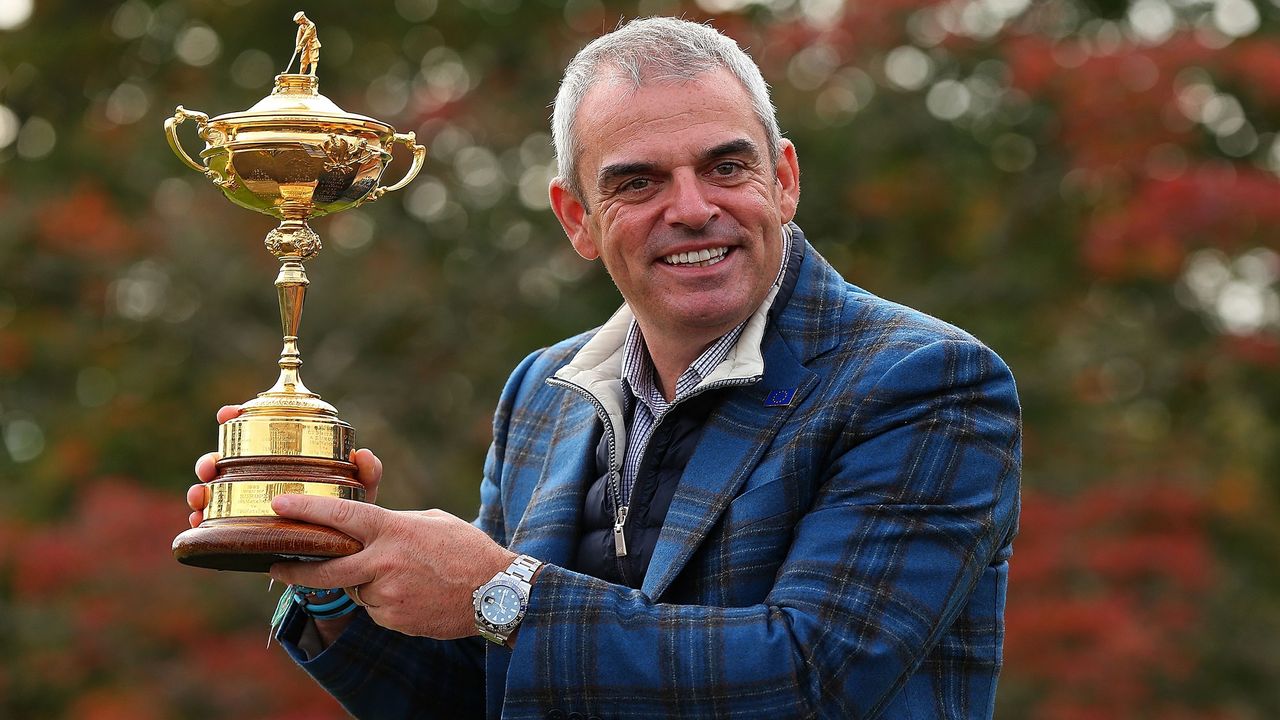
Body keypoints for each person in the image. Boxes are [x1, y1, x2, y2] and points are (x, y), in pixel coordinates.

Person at [188, 16, 1021, 719]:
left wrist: (501, 592)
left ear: (786, 178)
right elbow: (490, 693)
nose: (693, 208)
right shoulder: (541, 395)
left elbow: (817, 675)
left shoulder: (926, 381)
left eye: (726, 167)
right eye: (638, 182)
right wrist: (341, 571)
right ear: (577, 219)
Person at [293, 11, 321, 76]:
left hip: (313, 43)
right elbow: (298, 37)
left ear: (302, 19)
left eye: (299, 21)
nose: (298, 23)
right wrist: (297, 46)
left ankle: (312, 73)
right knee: (303, 60)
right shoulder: (301, 27)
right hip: (306, 45)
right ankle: (301, 74)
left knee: (313, 59)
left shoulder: (311, 25)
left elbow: (306, 36)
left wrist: (300, 46)